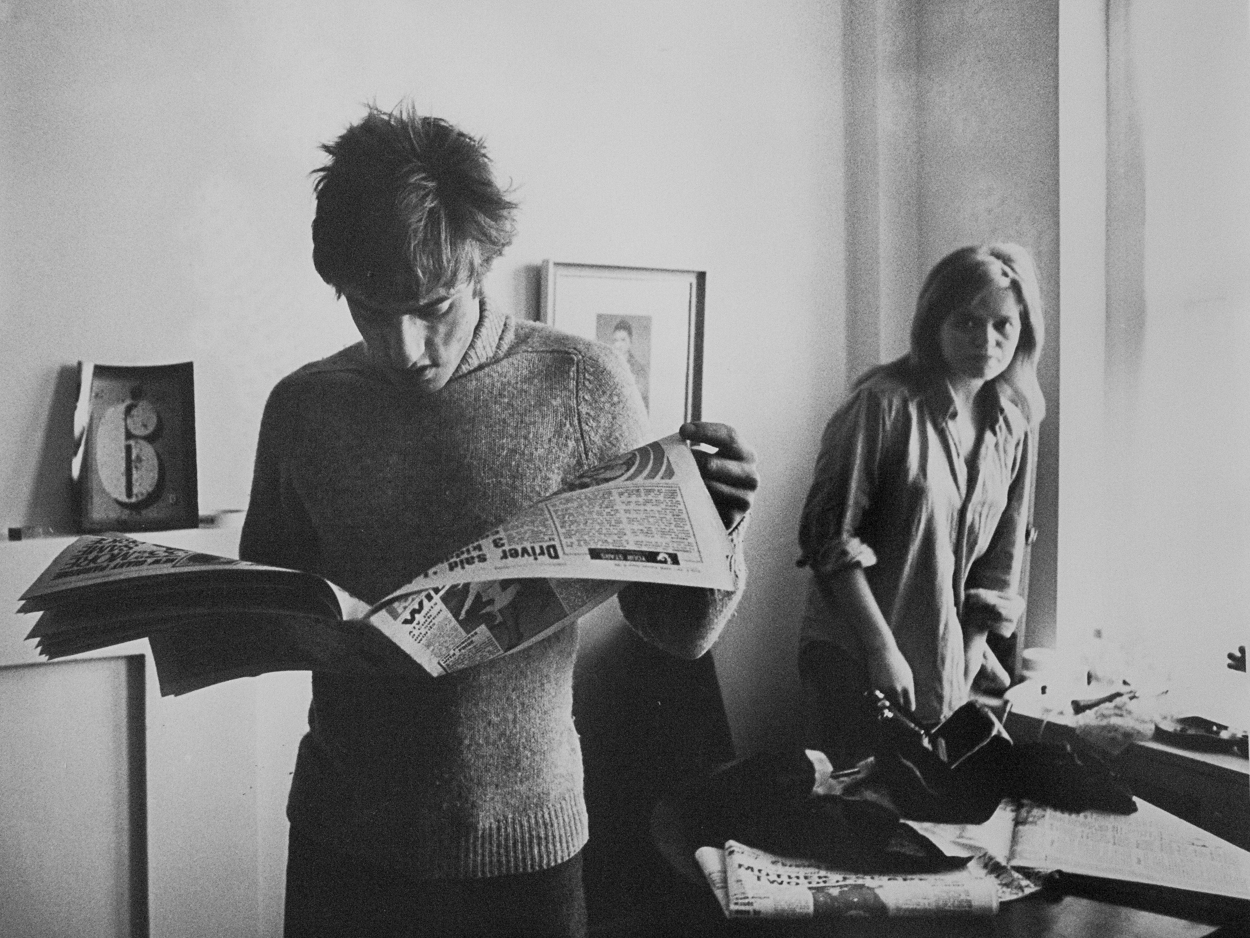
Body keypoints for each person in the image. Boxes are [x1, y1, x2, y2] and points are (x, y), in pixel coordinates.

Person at [238, 104, 758, 938]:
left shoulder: (581, 384)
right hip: (343, 843)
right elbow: (268, 600)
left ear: (481, 265)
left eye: (432, 306)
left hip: (523, 854)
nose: (404, 346)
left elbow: (677, 631)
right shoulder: (300, 408)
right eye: (370, 309)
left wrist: (716, 525)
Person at [796, 243, 1044, 768]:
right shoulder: (882, 405)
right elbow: (827, 539)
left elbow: (1002, 560)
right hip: (859, 651)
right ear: (935, 323)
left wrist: (972, 649)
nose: (987, 340)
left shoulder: (1013, 425)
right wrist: (881, 650)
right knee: (861, 812)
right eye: (967, 322)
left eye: (1003, 324)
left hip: (949, 659)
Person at [610, 318, 649, 409]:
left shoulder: (638, 369)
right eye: (615, 340)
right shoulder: (608, 366)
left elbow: (641, 400)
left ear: (630, 342)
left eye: (623, 340)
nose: (618, 345)